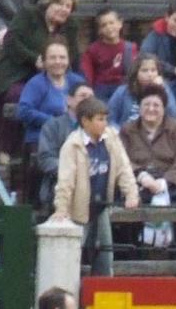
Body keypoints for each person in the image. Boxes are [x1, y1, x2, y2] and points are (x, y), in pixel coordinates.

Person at [0, 0, 80, 165]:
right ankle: (7, 148)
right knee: (18, 96)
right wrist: (34, 59)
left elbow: (73, 54)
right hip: (18, 72)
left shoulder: (70, 26)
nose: (64, 9)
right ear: (48, 3)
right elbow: (11, 42)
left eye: (68, 6)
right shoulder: (28, 14)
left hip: (52, 76)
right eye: (59, 4)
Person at [50, 95, 140, 277]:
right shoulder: (72, 146)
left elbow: (123, 167)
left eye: (105, 119)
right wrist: (62, 207)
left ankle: (103, 294)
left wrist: (131, 193)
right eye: (100, 119)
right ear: (85, 121)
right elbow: (65, 182)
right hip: (78, 210)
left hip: (101, 208)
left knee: (105, 256)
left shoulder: (111, 138)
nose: (104, 123)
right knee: (71, 258)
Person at [120, 86, 176, 206]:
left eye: (156, 105)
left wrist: (165, 182)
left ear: (163, 109)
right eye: (146, 104)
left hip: (173, 187)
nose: (151, 108)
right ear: (139, 108)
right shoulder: (127, 130)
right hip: (137, 185)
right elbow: (121, 158)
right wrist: (141, 175)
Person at [17, 40, 86, 148]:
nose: (58, 61)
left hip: (76, 136)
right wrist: (54, 122)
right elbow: (24, 111)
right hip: (43, 138)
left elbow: (90, 106)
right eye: (52, 58)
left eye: (62, 57)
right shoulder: (36, 83)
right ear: (44, 61)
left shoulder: (78, 82)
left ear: (68, 60)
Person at [36, 83, 94, 210]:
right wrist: (76, 170)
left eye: (91, 97)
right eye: (83, 96)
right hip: (62, 187)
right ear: (69, 100)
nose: (88, 100)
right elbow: (46, 160)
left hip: (95, 189)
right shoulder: (53, 126)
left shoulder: (100, 128)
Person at [107, 54, 176, 129]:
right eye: (144, 70)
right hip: (126, 136)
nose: (150, 74)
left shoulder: (164, 89)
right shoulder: (122, 91)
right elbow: (110, 119)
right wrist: (119, 133)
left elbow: (173, 116)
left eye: (153, 70)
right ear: (136, 73)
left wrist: (162, 89)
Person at [81, 7, 137, 102]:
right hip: (101, 89)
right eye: (104, 25)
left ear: (120, 23)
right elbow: (87, 74)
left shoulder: (130, 48)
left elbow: (134, 72)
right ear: (99, 30)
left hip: (123, 88)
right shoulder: (93, 50)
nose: (109, 27)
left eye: (111, 23)